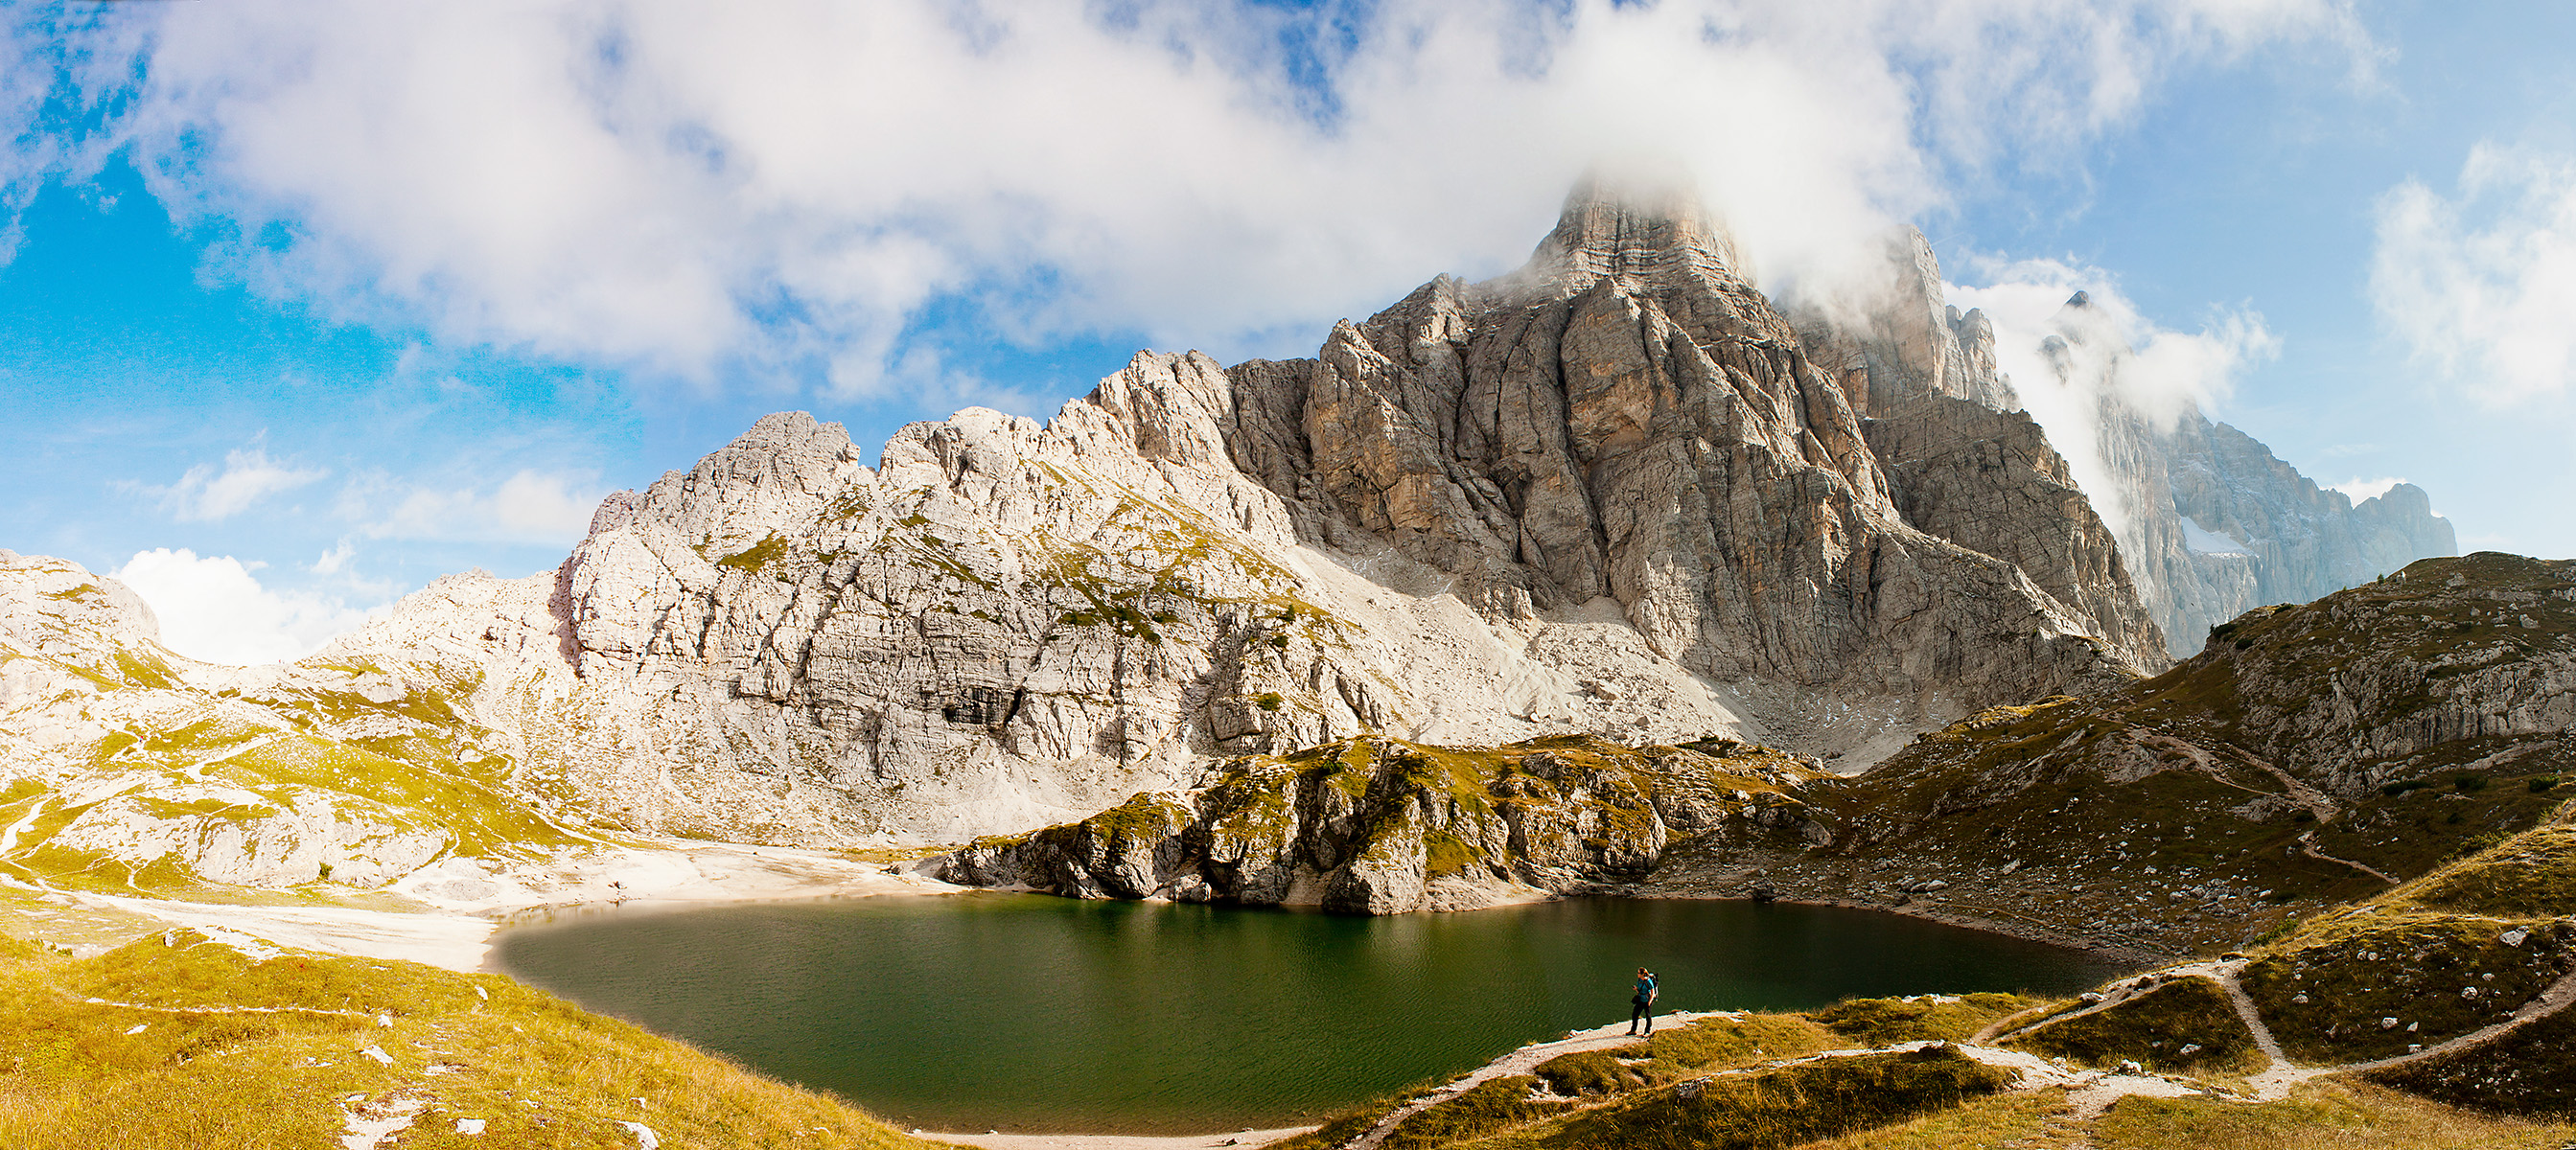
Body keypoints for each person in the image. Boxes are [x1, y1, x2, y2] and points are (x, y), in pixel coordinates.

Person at [1628, 967, 1659, 1036]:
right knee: (1635, 1014)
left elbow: (1652, 992)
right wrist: (1636, 989)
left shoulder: (1649, 982)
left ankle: (1647, 1031)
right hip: (1641, 1000)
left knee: (1648, 1016)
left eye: (1638, 973)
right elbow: (1640, 990)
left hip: (1647, 1000)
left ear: (1642, 974)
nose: (1637, 974)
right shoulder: (1639, 980)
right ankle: (1633, 1030)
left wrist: (1649, 1002)